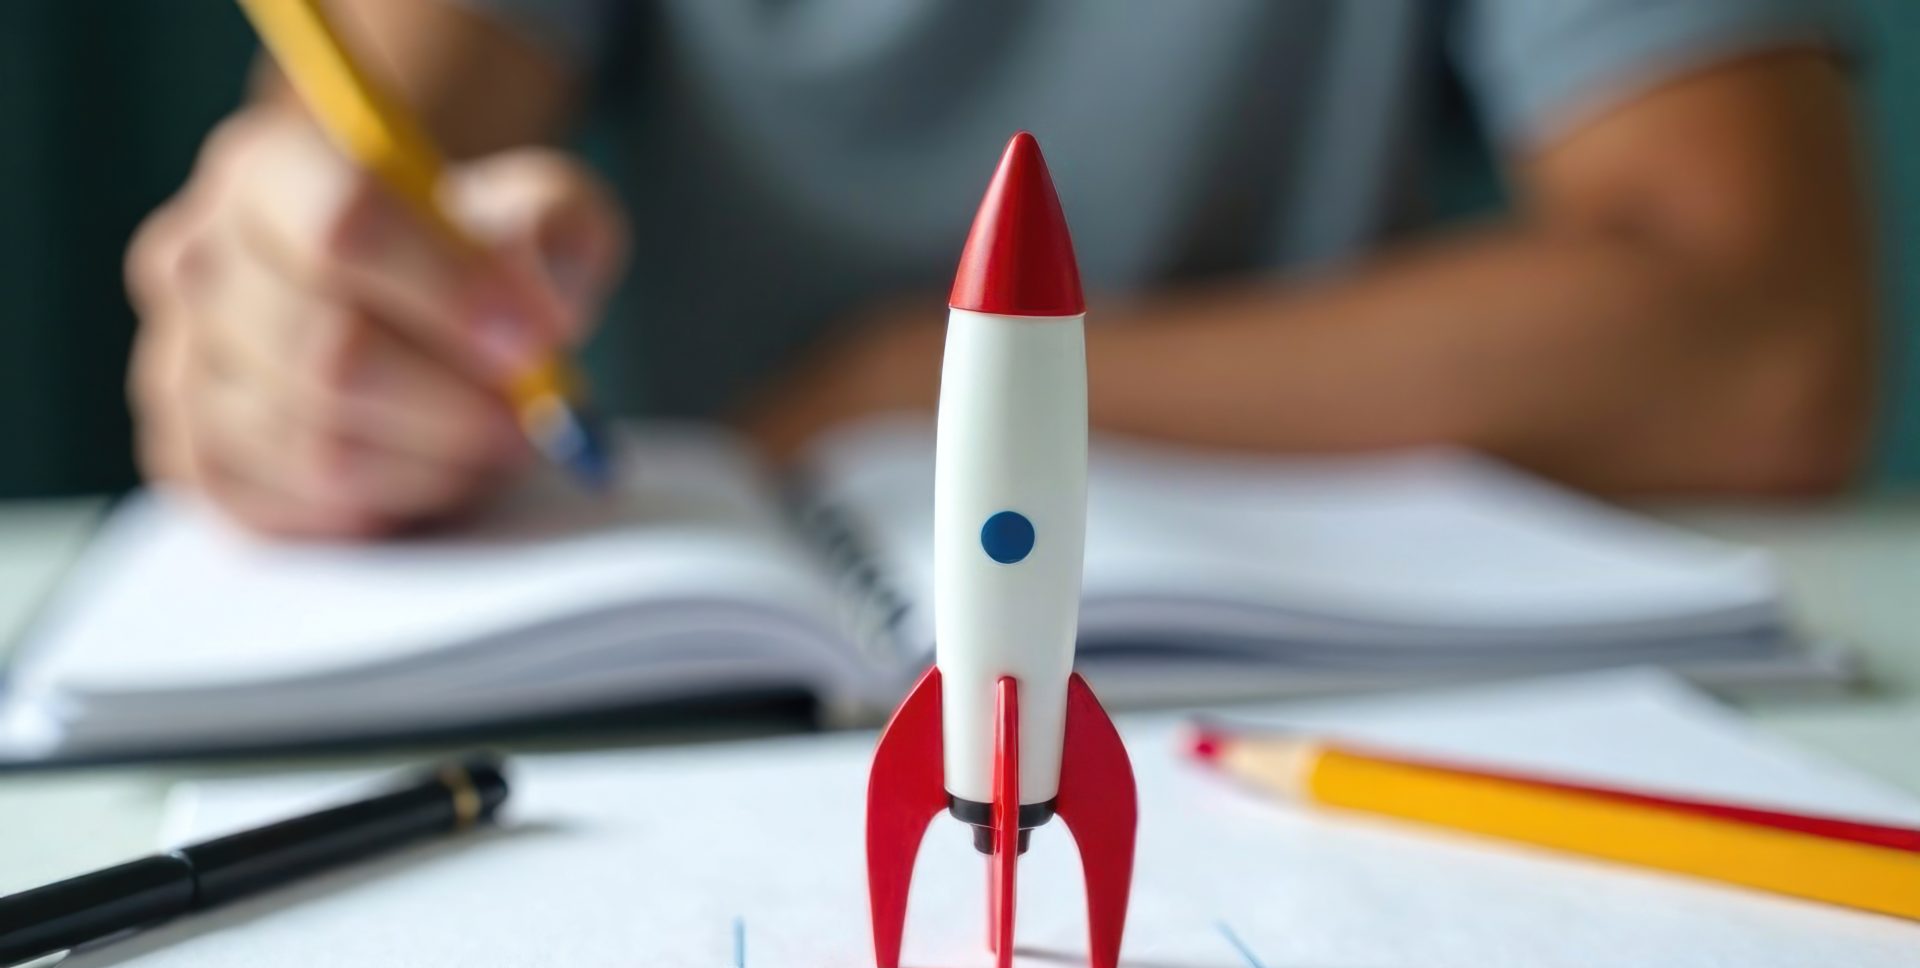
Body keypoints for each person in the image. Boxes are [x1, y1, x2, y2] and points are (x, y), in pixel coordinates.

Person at [125, 0, 1876, 538]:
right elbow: (358, 180)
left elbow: (1765, 339)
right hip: (720, 713)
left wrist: (916, 385)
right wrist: (294, 328)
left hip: (1356, 675)